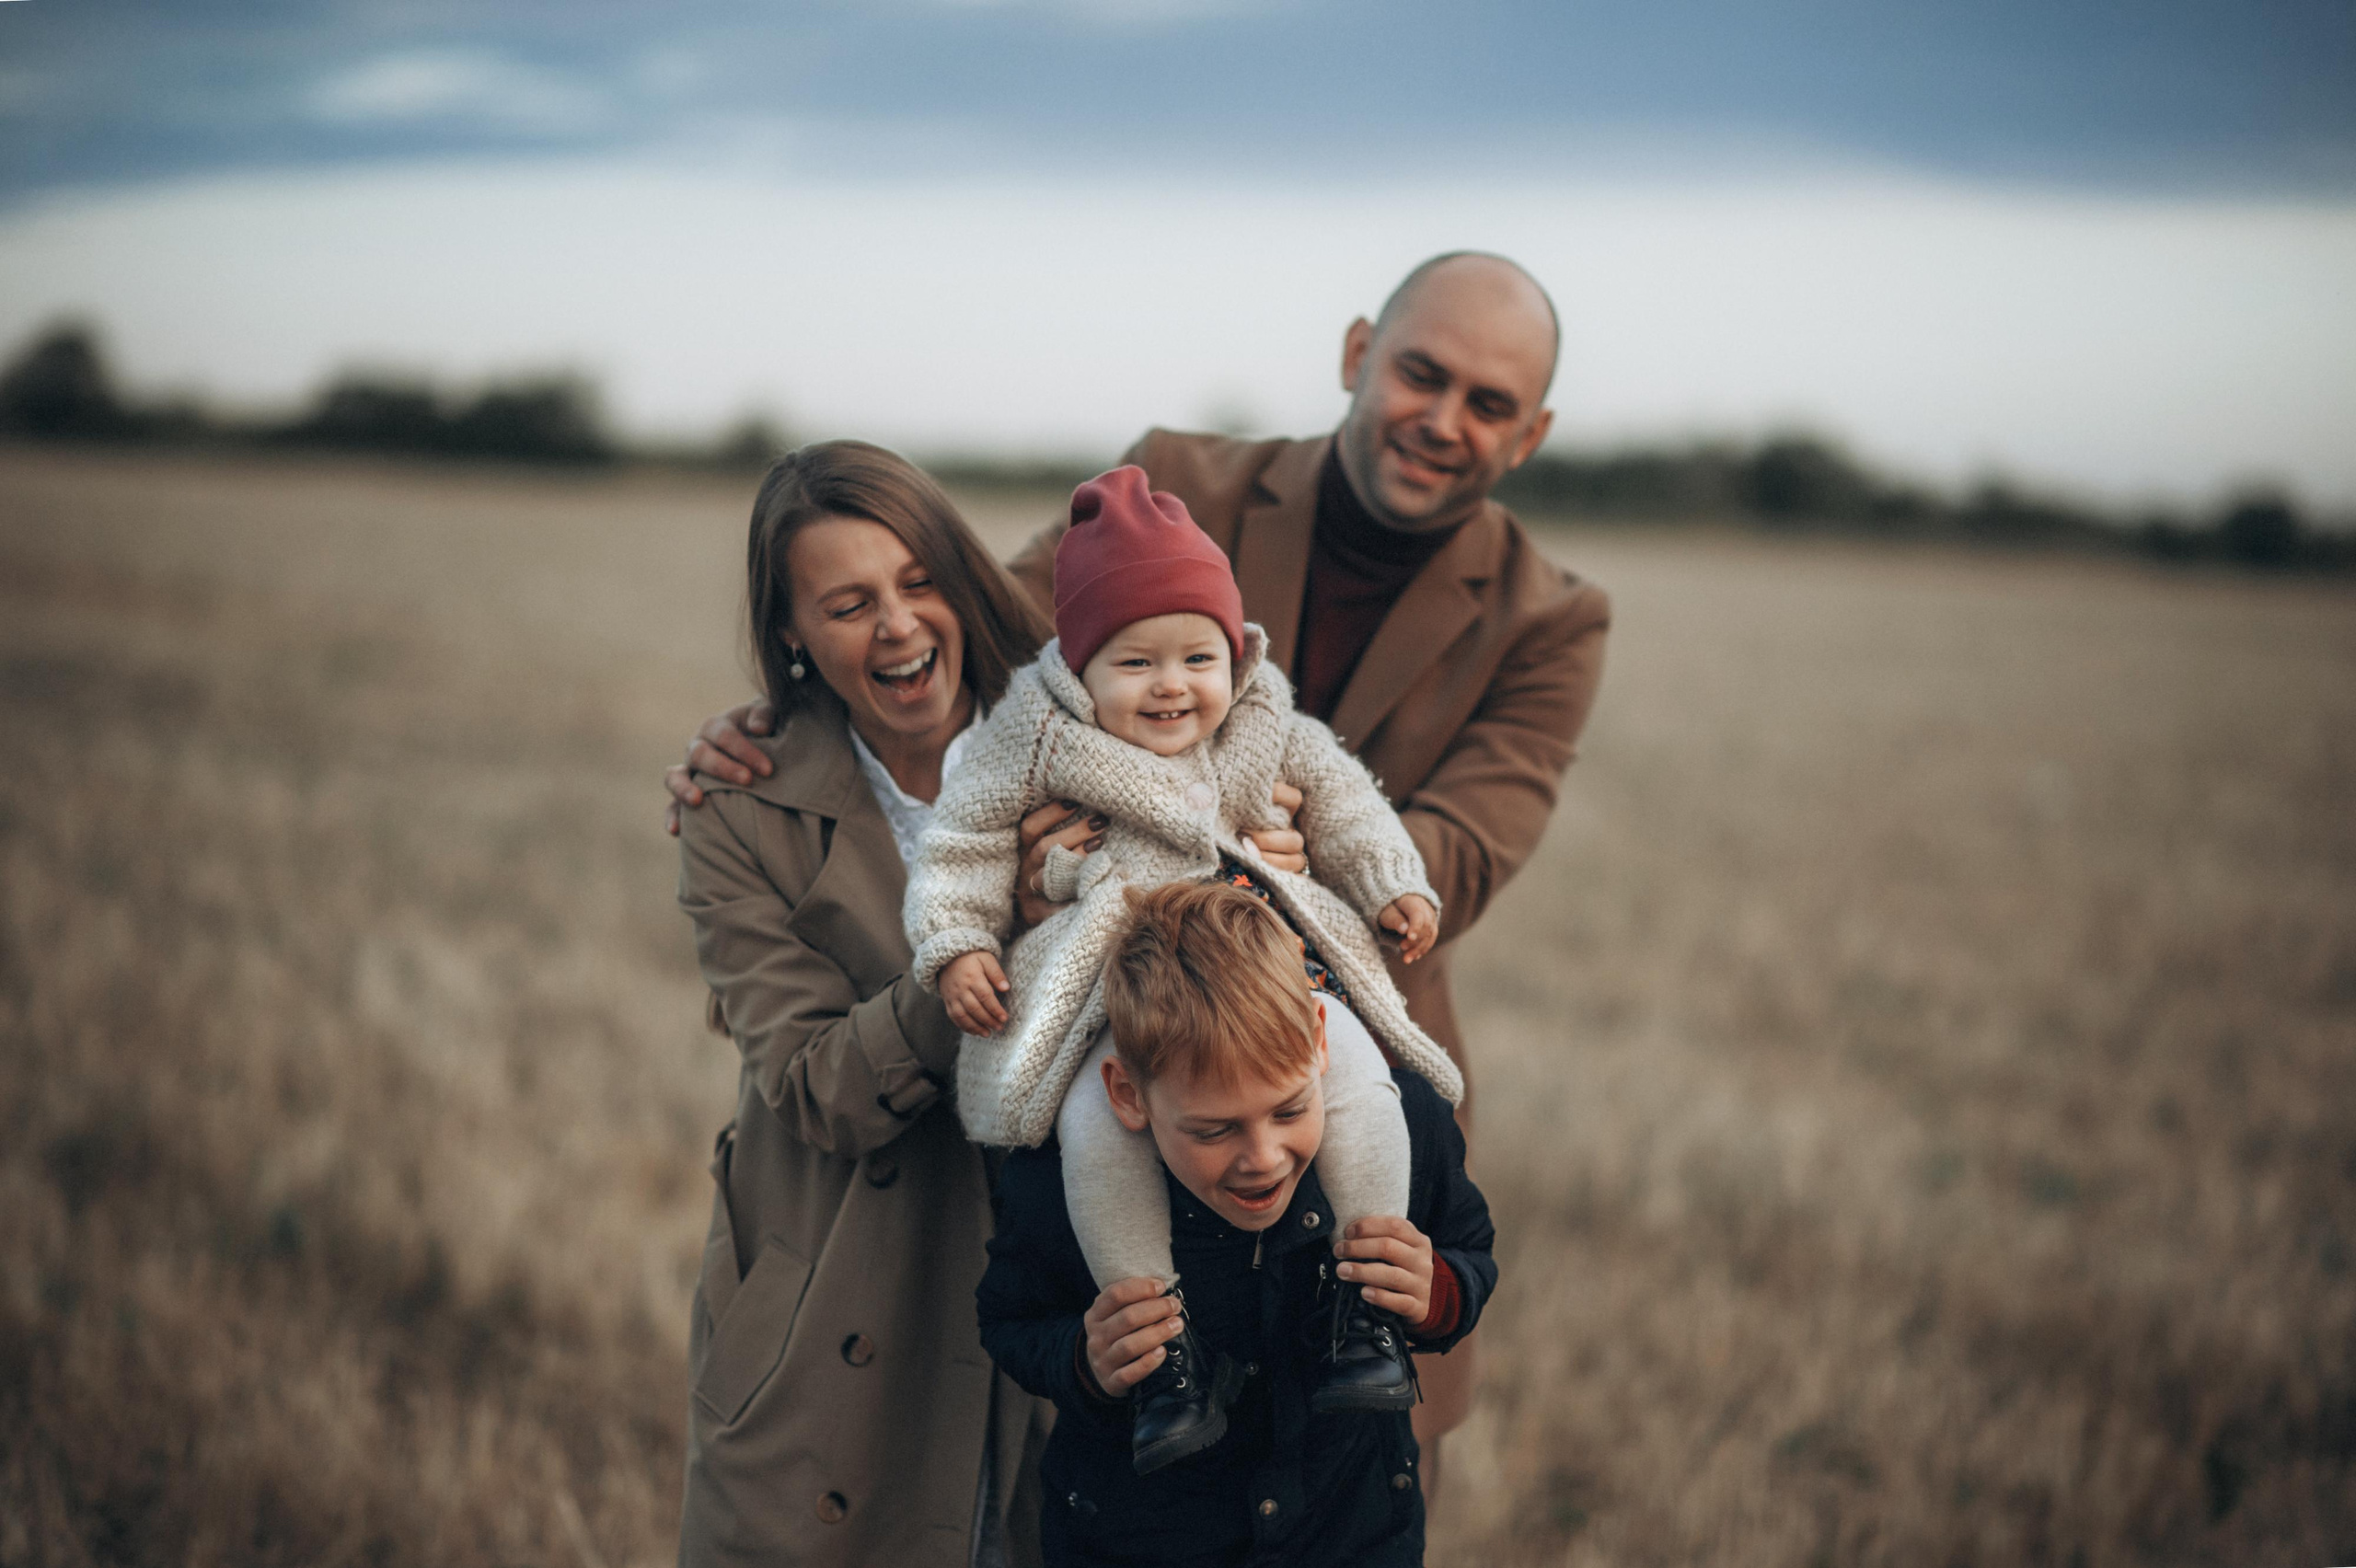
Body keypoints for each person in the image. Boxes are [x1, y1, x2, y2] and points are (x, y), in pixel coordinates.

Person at [669, 250, 1611, 1494]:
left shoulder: (1554, 616)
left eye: (1488, 404)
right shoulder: (1175, 480)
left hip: (1328, 1072)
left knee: (1337, 1493)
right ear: (1355, 356)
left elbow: (1468, 847)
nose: (1443, 421)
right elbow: (979, 639)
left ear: (1532, 432)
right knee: (1122, 1468)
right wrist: (781, 720)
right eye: (1420, 374)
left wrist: (1299, 868)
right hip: (1118, 1051)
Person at [671, 440, 1313, 1568]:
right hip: (839, 1301)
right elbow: (817, 1089)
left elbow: (1232, 897)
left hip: (1062, 1290)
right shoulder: (738, 809)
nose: (898, 627)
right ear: (790, 634)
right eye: (847, 602)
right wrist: (991, 940)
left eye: (918, 583)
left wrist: (1270, 868)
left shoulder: (1102, 725)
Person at [902, 465, 1457, 1473]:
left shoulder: (1267, 716)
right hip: (1117, 993)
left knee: (1357, 1073)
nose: (1171, 685)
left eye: (1197, 655)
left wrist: (1389, 884)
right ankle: (1161, 1356)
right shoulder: (1029, 737)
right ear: (1077, 668)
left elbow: (1345, 798)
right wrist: (958, 946)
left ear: (1235, 654)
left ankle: (1363, 1303)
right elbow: (963, 844)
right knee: (1091, 1123)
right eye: (1135, 662)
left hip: (1263, 976)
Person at [975, 878, 1496, 1567]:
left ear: (1319, 1042)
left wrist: (1436, 1295)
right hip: (1141, 1542)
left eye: (1287, 1110)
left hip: (1348, 1531)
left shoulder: (1405, 1127)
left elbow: (1471, 1249)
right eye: (1214, 1129)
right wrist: (1086, 1360)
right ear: (1128, 1096)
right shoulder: (1059, 1179)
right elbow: (1008, 1320)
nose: (1262, 1158)